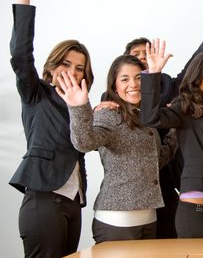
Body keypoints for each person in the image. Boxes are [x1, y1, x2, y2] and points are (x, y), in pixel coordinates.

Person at [99, 0, 203, 239]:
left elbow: (198, 66)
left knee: (168, 240)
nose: (143, 59)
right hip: (128, 195)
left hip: (170, 178)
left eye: (146, 54)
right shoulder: (111, 101)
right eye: (136, 55)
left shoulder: (168, 87)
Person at [8, 0, 94, 257]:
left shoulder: (81, 105)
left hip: (73, 201)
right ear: (52, 67)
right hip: (43, 198)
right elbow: (21, 55)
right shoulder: (36, 93)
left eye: (79, 67)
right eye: (66, 64)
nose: (72, 71)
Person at [56, 55, 178, 243]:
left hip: (149, 219)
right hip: (117, 221)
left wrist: (176, 130)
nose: (133, 84)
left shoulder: (146, 118)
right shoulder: (109, 113)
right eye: (125, 79)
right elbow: (85, 143)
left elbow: (156, 160)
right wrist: (78, 107)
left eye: (139, 78)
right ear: (114, 86)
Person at [140, 40, 203, 238]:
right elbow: (150, 117)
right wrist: (153, 74)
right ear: (196, 78)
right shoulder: (185, 107)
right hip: (195, 213)